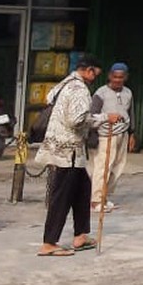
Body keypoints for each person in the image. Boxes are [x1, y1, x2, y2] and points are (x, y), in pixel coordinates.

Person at [35, 56, 100, 257]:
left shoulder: (65, 83)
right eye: (95, 72)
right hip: (68, 150)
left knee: (82, 190)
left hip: (64, 148)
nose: (96, 76)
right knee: (61, 196)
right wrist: (103, 118)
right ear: (89, 70)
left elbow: (50, 98)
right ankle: (49, 242)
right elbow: (77, 120)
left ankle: (81, 235)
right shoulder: (80, 89)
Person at [89, 62, 136, 213]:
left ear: (125, 78)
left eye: (121, 77)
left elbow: (131, 113)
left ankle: (105, 196)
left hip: (122, 133)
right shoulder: (101, 93)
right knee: (103, 168)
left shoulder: (128, 93)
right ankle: (96, 200)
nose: (117, 80)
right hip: (106, 135)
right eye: (115, 77)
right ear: (110, 76)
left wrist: (132, 133)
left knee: (118, 167)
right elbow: (91, 116)